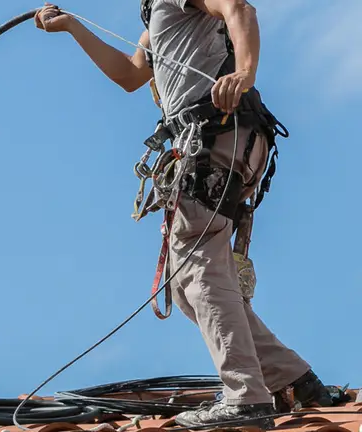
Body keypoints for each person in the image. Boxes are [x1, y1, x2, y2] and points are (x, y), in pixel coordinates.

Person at [33, 0, 334, 429]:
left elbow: (239, 8)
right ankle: (293, 378)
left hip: (215, 138)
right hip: (226, 143)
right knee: (185, 284)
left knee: (197, 270)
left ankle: (247, 399)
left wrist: (244, 74)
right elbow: (131, 75)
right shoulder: (157, 13)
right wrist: (73, 28)